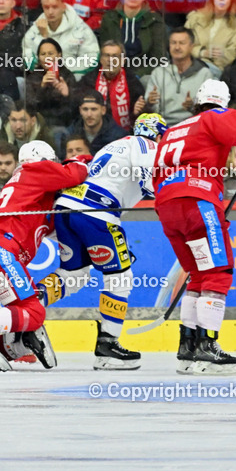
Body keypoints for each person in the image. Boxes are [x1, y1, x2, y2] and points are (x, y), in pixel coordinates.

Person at [152, 80, 236, 375]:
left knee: (198, 272)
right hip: (198, 200)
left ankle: (188, 347)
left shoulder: (173, 130)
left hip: (167, 205)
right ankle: (207, 346)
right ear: (223, 102)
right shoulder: (216, 116)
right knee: (218, 271)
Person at [0, 141, 89, 371]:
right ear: (47, 160)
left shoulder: (31, 190)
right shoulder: (36, 169)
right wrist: (80, 160)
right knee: (33, 312)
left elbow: (51, 227)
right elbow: (75, 174)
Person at [47, 114, 167, 368]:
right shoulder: (146, 145)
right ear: (157, 134)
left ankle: (27, 309)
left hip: (68, 208)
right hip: (97, 213)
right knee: (120, 278)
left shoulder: (116, 144)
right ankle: (108, 345)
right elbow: (149, 181)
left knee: (74, 276)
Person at [97, 0, 166, 79]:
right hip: (113, 70)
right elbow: (104, 52)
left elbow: (158, 58)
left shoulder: (155, 20)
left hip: (143, 72)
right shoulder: (110, 18)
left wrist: (138, 74)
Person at [22, 0, 99, 80]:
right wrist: (43, 38)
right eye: (46, 7)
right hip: (43, 79)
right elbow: (29, 60)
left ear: (64, 6)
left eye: (55, 7)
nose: (50, 12)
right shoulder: (35, 30)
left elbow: (92, 57)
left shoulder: (80, 28)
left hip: (74, 79)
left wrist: (67, 74)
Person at [144, 27, 215, 126]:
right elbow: (151, 112)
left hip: (194, 127)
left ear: (191, 47)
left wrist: (193, 107)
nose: (177, 47)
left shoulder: (205, 74)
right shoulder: (158, 73)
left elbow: (211, 111)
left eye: (182, 43)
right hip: (164, 127)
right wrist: (150, 104)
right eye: (173, 43)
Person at [79, 40, 147, 131]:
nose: (110, 60)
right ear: (101, 59)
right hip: (93, 132)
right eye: (107, 55)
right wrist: (66, 94)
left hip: (124, 134)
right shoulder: (88, 80)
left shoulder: (132, 82)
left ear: (123, 60)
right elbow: (77, 111)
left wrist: (135, 113)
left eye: (115, 56)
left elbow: (141, 119)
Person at [184, 0, 236, 76]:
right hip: (191, 64)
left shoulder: (235, 24)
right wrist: (202, 53)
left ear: (231, 0)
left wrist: (222, 53)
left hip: (215, 69)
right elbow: (183, 44)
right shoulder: (195, 18)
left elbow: (233, 52)